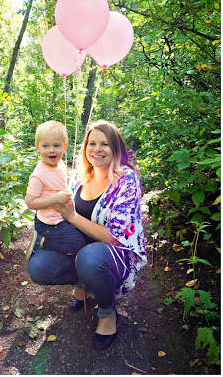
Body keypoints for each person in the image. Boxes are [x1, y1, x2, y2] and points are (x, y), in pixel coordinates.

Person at [27, 120, 146, 349]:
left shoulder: (126, 180)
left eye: (105, 144)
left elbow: (115, 238)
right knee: (39, 267)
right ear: (85, 148)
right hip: (80, 248)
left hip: (111, 257)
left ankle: (107, 313)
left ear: (116, 148)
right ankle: (82, 282)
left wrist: (72, 217)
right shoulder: (80, 176)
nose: (97, 149)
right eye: (92, 143)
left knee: (90, 258)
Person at [25, 121, 87, 261]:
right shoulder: (39, 175)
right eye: (46, 146)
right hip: (49, 224)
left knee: (82, 236)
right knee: (78, 244)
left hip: (59, 218)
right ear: (38, 148)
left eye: (56, 145)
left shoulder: (60, 165)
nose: (51, 150)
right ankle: (43, 242)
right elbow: (30, 202)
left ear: (64, 147)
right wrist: (56, 199)